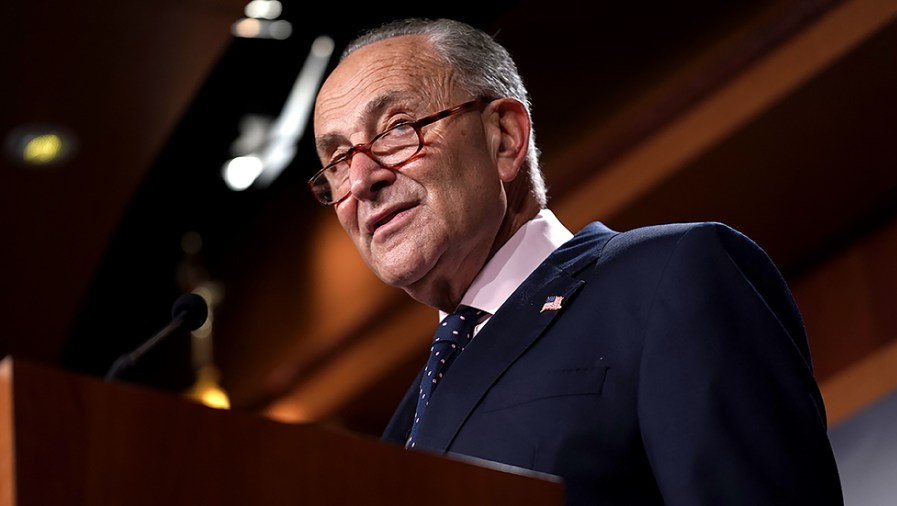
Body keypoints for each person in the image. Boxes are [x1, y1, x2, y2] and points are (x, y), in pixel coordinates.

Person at [308, 17, 844, 506]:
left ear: (504, 138)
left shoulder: (669, 277)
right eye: (336, 160)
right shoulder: (403, 427)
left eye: (398, 127)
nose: (360, 180)